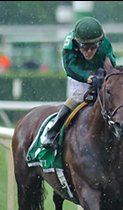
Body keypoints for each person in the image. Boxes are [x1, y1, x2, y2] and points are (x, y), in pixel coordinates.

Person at [41, 16, 117, 149]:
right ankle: (53, 132)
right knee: (80, 95)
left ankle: (120, 132)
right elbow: (70, 68)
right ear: (77, 43)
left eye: (93, 47)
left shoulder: (105, 46)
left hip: (98, 67)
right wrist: (89, 78)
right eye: (84, 47)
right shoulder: (69, 45)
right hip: (77, 68)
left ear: (99, 43)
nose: (89, 51)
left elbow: (111, 67)